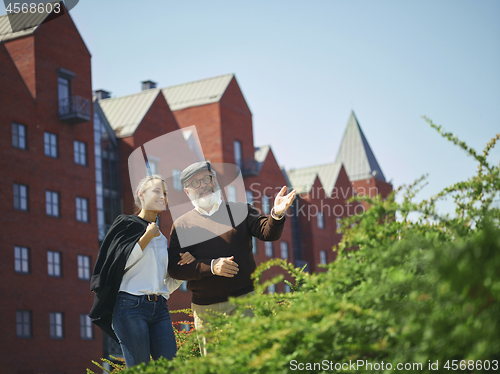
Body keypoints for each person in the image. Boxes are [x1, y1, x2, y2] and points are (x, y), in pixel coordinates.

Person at [167, 161, 296, 355]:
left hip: (245, 302)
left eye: (206, 179)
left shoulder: (241, 210)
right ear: (187, 191)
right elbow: (175, 269)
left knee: (251, 359)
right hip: (205, 309)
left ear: (214, 180)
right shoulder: (182, 225)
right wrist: (211, 266)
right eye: (195, 183)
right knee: (215, 366)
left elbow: (268, 233)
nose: (202, 185)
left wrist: (277, 214)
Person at [89, 174, 195, 367]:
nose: (162, 196)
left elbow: (165, 284)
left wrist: (182, 268)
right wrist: (146, 237)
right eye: (156, 191)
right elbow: (120, 264)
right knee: (141, 370)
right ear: (141, 195)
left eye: (165, 193)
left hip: (160, 308)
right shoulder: (125, 224)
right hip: (130, 308)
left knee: (170, 368)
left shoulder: (162, 239)